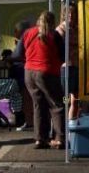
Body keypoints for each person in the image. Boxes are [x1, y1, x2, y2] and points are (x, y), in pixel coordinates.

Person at [24, 11, 66, 149]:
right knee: (57, 105)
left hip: (29, 72)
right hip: (47, 72)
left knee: (38, 105)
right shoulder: (54, 36)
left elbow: (19, 52)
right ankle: (59, 138)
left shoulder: (28, 33)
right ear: (53, 22)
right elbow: (63, 56)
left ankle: (39, 139)